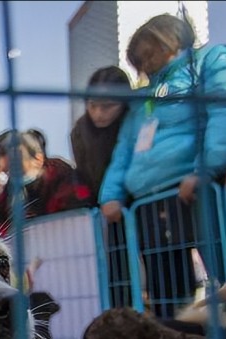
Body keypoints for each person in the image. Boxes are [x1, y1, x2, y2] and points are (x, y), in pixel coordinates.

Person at [99, 14, 226, 317]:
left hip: (204, 192)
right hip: (151, 207)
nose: (145, 61)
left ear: (170, 38)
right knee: (168, 298)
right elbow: (125, 149)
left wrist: (204, 169)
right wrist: (110, 195)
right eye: (139, 57)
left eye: (148, 50)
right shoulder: (145, 98)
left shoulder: (211, 60)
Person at [70, 65, 132, 308]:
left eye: (107, 106)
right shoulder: (79, 131)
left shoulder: (131, 122)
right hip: (103, 210)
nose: (98, 113)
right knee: (116, 273)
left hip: (132, 203)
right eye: (92, 105)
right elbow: (83, 173)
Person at [0, 129, 94, 237]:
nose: (12, 175)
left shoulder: (63, 178)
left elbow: (76, 213)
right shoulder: (11, 189)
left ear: (38, 159)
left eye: (16, 168)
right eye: (7, 172)